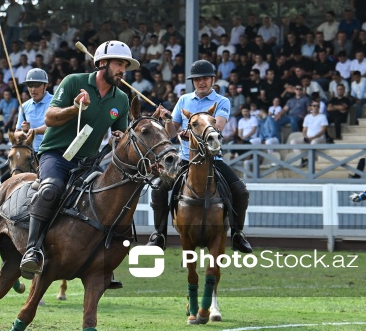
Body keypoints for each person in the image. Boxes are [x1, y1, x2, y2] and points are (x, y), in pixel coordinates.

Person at [18, 40, 140, 286]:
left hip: (87, 162)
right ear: (102, 63)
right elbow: (50, 118)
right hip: (56, 154)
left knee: (112, 201)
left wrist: (127, 132)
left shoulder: (122, 99)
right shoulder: (74, 81)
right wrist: (74, 108)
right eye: (119, 64)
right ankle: (32, 251)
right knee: (51, 189)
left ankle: (105, 263)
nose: (122, 70)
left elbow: (121, 133)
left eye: (125, 65)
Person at [146, 60, 252, 254]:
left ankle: (238, 234)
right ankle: (159, 235)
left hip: (213, 161)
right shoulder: (184, 100)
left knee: (241, 191)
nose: (201, 82)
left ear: (213, 79)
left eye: (204, 79)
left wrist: (191, 132)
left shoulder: (222, 101)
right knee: (158, 189)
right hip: (186, 160)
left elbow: (216, 129)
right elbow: (171, 133)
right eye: (197, 80)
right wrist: (168, 119)